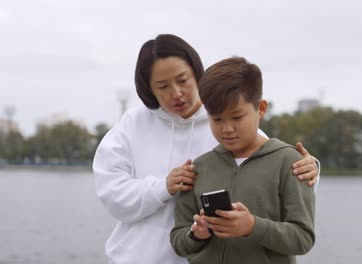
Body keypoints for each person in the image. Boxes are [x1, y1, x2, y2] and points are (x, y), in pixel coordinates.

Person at [93, 34, 318, 264]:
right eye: (162, 86)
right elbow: (111, 194)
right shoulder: (133, 124)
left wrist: (311, 169)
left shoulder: (228, 124)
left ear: (196, 73)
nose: (176, 93)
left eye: (183, 80)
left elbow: (273, 166)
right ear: (149, 89)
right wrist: (163, 187)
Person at [170, 57, 315, 264]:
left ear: (261, 109)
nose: (227, 128)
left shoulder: (290, 162)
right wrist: (196, 234)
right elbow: (178, 241)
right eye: (217, 119)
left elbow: (303, 238)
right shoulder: (198, 168)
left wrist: (252, 226)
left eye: (237, 117)